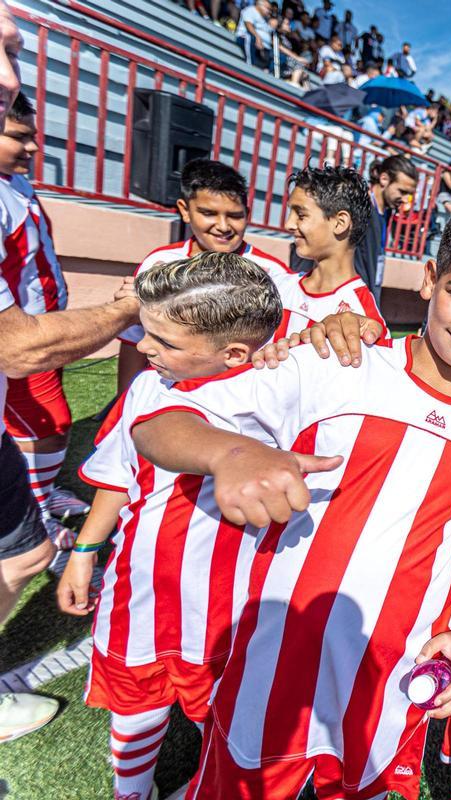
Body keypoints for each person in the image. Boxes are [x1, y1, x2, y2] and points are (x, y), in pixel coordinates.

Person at [130, 205, 451, 800]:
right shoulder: (335, 363)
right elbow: (158, 420)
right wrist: (227, 454)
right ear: (429, 280)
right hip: (275, 659)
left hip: (392, 678)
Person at [57, 252, 283, 799]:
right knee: (133, 703)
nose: (144, 348)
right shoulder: (146, 388)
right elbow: (117, 475)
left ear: (233, 353)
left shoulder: (281, 395)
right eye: (147, 332)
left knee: (224, 713)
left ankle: (210, 786)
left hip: (227, 608)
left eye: (165, 341)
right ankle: (131, 792)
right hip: (138, 587)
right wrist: (86, 550)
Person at [0, 0, 142, 741]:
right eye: (12, 129)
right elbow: (16, 345)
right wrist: (123, 309)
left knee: (27, 542)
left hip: (26, 372)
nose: (24, 143)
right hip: (21, 369)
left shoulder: (16, 192)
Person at [115, 158, 299, 396]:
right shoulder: (159, 262)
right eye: (208, 213)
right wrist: (123, 400)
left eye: (234, 215)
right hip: (166, 392)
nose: (223, 226)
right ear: (185, 210)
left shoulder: (273, 274)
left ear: (248, 214)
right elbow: (134, 339)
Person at [0, 92, 88, 547]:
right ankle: (33, 516)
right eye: (20, 137)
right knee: (47, 423)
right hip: (17, 336)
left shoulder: (17, 183)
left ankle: (43, 493)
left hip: (43, 328)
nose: (33, 149)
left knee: (45, 425)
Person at [273, 166, 390, 339]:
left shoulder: (366, 322)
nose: (289, 224)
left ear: (340, 223)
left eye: (301, 214)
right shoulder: (276, 286)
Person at [361, 155, 417, 302]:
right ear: (384, 179)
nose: (406, 200)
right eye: (402, 192)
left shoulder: (387, 211)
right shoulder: (361, 211)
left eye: (409, 195)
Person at [235, 0, 272, 68]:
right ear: (259, 5)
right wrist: (258, 37)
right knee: (250, 38)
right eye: (267, 8)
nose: (269, 11)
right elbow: (248, 25)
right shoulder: (250, 10)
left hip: (260, 45)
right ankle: (249, 64)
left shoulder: (264, 18)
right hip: (244, 37)